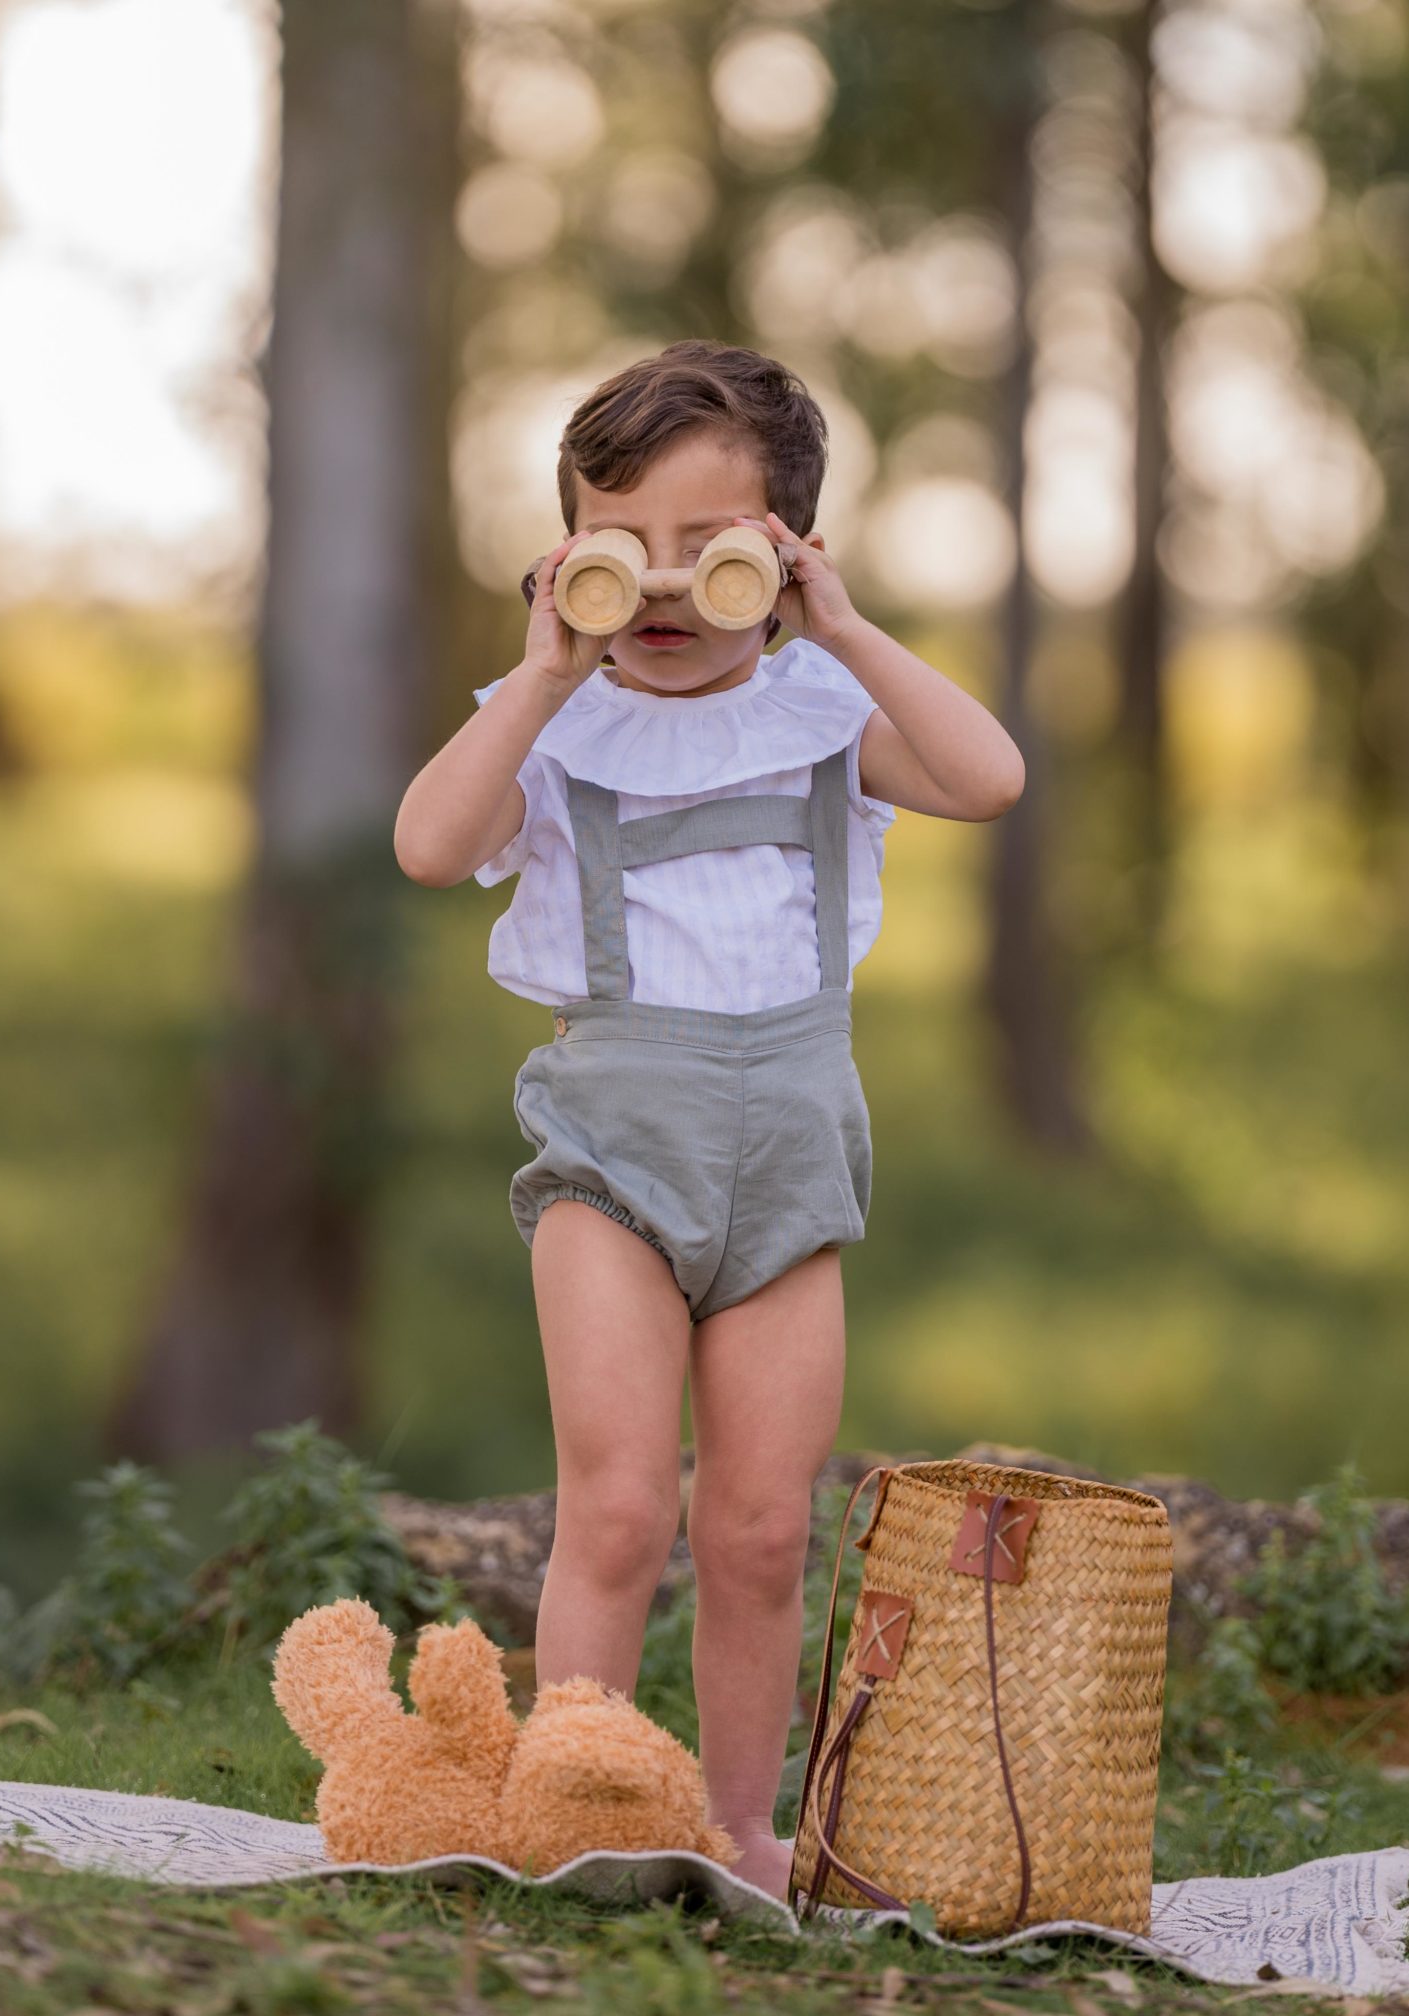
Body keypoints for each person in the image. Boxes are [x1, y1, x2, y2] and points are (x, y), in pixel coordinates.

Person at [392, 340, 1023, 1900]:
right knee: (615, 1507)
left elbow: (990, 776)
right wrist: (542, 670)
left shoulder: (824, 716)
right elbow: (426, 845)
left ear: (784, 552)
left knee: (755, 1528)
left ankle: (743, 1829)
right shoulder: (549, 726)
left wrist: (848, 626)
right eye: (625, 550)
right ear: (568, 558)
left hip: (789, 1174)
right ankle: (572, 1796)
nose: (664, 594)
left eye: (710, 552)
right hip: (614, 1165)